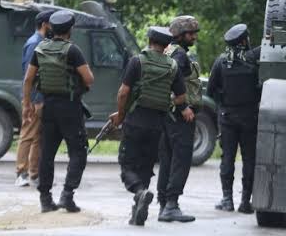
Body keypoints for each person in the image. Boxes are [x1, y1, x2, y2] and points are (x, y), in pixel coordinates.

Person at [109, 27, 191, 226]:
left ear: (150, 40)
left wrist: (120, 115)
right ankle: (138, 210)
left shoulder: (137, 61)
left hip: (135, 121)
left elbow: (123, 93)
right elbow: (181, 97)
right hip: (157, 125)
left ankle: (139, 192)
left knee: (127, 163)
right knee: (146, 167)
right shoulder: (172, 66)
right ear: (166, 45)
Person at [23, 10, 94, 213]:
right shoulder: (73, 51)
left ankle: (45, 199)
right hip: (70, 107)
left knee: (47, 153)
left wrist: (27, 104)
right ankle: (67, 195)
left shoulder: (40, 49)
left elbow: (28, 79)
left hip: (48, 107)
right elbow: (88, 79)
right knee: (78, 151)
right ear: (70, 29)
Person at [207, 23, 261, 214]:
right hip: (249, 118)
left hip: (228, 118)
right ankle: (246, 201)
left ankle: (227, 199)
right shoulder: (254, 60)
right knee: (249, 159)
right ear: (244, 40)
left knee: (227, 158)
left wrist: (223, 105)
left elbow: (210, 90)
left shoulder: (221, 62)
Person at [157, 15, 200, 223]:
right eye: (191, 34)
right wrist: (183, 107)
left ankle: (163, 203)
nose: (194, 37)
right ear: (180, 35)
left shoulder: (168, 51)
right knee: (181, 159)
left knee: (167, 159)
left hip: (166, 114)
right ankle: (171, 205)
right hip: (180, 115)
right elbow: (177, 84)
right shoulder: (180, 55)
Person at [15, 9, 54, 187]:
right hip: (34, 98)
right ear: (45, 25)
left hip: (42, 98)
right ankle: (20, 173)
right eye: (52, 23)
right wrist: (27, 102)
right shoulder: (34, 44)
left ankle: (34, 173)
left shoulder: (43, 42)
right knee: (28, 135)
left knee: (39, 137)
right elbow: (28, 76)